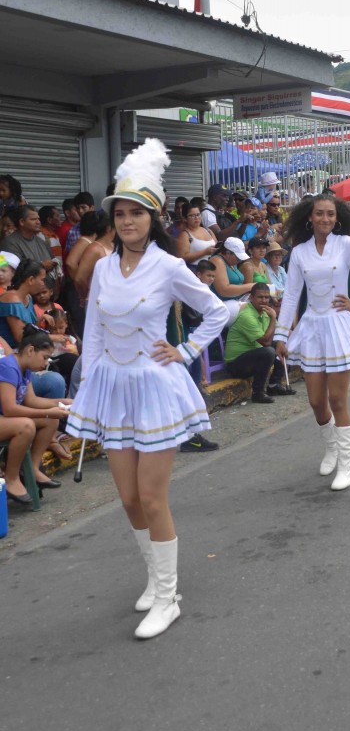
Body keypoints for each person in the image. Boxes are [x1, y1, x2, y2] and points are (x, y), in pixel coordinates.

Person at [65, 139, 230, 640]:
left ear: (152, 217)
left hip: (154, 388)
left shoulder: (168, 266)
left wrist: (183, 351)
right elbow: (92, 328)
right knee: (128, 498)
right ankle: (154, 579)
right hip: (113, 387)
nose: (127, 221)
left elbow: (218, 310)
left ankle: (167, 596)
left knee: (152, 499)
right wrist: (89, 376)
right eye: (119, 213)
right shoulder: (105, 267)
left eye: (137, 213)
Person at [274, 195, 350, 491]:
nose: (325, 219)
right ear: (309, 218)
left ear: (338, 219)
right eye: (319, 214)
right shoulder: (298, 252)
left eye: (330, 214)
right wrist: (281, 335)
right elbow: (290, 295)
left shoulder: (346, 244)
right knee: (315, 402)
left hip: (338, 326)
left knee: (337, 399)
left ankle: (346, 466)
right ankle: (332, 447)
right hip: (312, 327)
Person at [0, 324, 72, 504]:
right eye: (45, 357)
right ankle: (12, 479)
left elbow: (31, 400)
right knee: (26, 426)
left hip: (5, 418)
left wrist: (60, 403)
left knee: (51, 420)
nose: (46, 362)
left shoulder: (25, 370)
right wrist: (48, 412)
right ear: (31, 350)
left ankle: (32, 469)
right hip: (5, 417)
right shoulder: (8, 366)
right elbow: (10, 408)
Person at [224, 283, 294, 401]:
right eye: (260, 297)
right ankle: (258, 393)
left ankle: (274, 385)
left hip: (253, 355)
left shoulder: (265, 312)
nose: (264, 300)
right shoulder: (247, 315)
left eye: (266, 297)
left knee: (281, 344)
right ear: (251, 298)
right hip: (236, 364)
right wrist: (273, 318)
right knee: (269, 351)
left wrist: (292, 338)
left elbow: (279, 333)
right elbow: (265, 342)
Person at [175, 204, 217, 269]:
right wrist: (204, 252)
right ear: (185, 218)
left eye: (198, 214)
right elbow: (182, 257)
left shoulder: (208, 231)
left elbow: (216, 246)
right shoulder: (185, 235)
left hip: (212, 269)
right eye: (192, 215)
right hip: (195, 269)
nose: (196, 218)